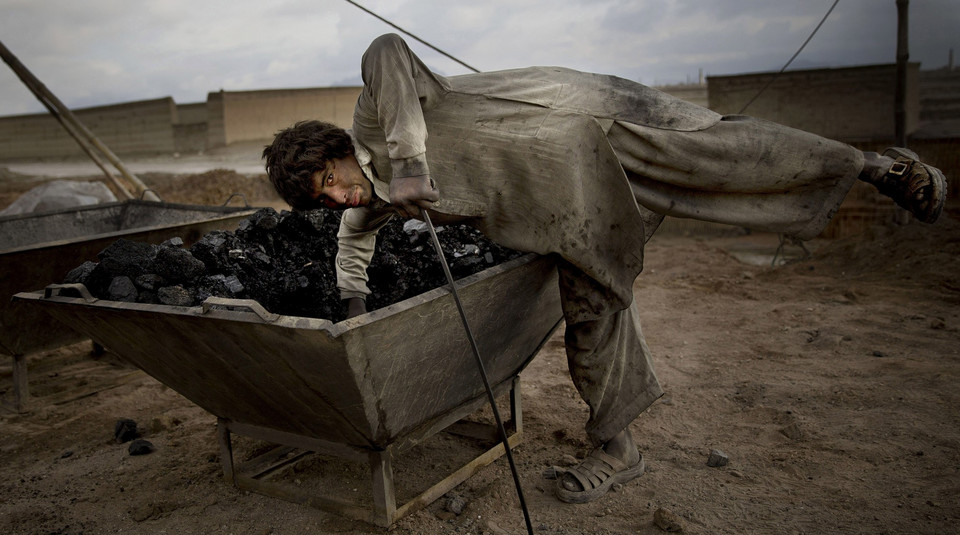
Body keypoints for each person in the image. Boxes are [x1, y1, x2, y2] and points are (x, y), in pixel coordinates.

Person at [262, 33, 946, 504]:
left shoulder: (376, 119)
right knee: (592, 313)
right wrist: (352, 320)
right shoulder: (369, 205)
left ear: (340, 149)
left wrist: (410, 160)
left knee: (724, 155)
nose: (336, 195)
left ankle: (877, 168)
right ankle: (619, 448)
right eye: (322, 196)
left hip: (586, 123)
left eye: (331, 176)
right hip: (571, 208)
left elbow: (385, 51)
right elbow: (352, 250)